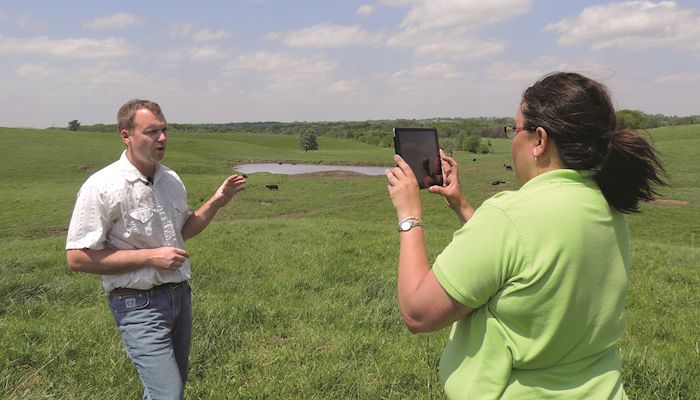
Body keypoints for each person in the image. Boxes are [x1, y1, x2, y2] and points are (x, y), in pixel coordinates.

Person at [386, 72, 666, 399]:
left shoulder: (510, 216)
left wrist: (409, 215)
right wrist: (461, 205)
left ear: (540, 141)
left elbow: (418, 313)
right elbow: (524, 259)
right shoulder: (607, 206)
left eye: (514, 130)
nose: (513, 141)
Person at [66, 99, 246, 399]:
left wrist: (216, 202)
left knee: (170, 389)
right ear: (126, 135)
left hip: (179, 299)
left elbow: (181, 232)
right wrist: (150, 256)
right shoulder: (103, 186)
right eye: (151, 131)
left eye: (164, 130)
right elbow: (77, 258)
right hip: (138, 305)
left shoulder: (171, 179)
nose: (162, 138)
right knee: (167, 393)